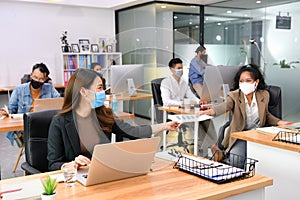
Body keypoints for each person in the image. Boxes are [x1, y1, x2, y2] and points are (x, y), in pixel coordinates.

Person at [47, 68, 180, 171]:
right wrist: (71, 164)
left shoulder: (104, 115)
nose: (103, 92)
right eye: (99, 88)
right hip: (77, 179)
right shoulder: (60, 122)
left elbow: (133, 131)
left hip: (104, 172)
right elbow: (53, 163)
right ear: (83, 91)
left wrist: (164, 126)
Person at [198, 64, 292, 162]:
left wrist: (279, 122)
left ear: (256, 82)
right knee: (236, 160)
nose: (244, 84)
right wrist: (209, 111)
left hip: (258, 134)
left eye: (248, 81)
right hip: (241, 135)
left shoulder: (264, 95)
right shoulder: (234, 95)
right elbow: (225, 106)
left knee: (266, 160)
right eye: (241, 81)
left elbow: (266, 115)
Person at [160, 58, 216, 156]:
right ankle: (211, 148)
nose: (180, 70)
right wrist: (181, 103)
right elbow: (166, 101)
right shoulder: (166, 82)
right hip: (172, 113)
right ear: (171, 69)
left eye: (182, 68)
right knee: (196, 122)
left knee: (207, 120)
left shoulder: (183, 82)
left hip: (184, 111)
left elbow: (191, 96)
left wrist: (200, 101)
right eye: (178, 68)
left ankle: (215, 146)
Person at [0, 63, 60, 145]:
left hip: (44, 126)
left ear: (46, 79)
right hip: (25, 129)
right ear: (31, 75)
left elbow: (60, 104)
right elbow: (11, 109)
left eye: (41, 79)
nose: (37, 81)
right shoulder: (19, 90)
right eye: (35, 77)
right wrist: (6, 112)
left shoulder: (50, 89)